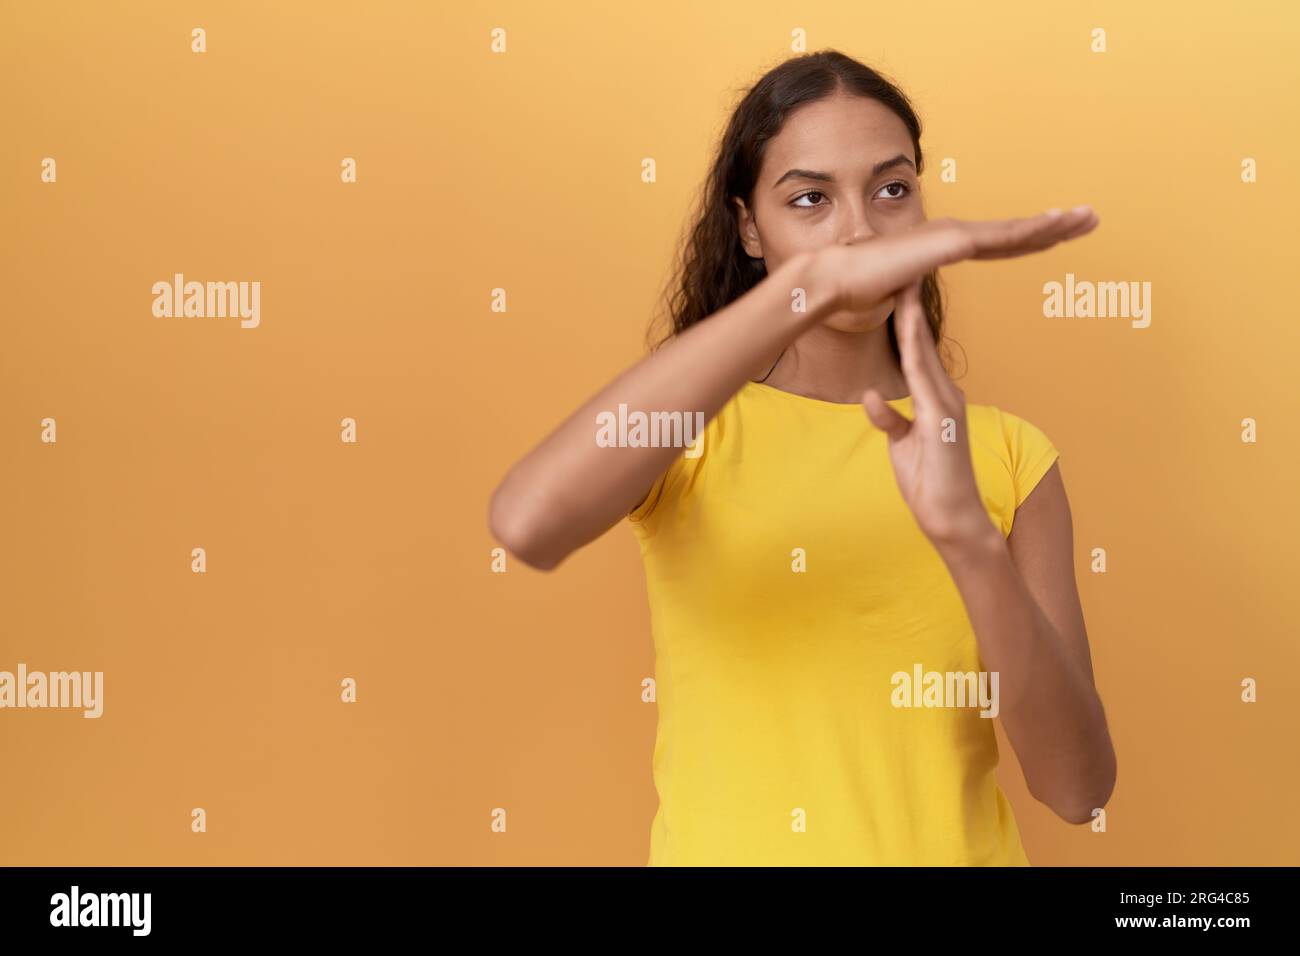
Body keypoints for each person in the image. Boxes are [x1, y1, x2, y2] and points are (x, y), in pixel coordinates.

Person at [489, 49, 1116, 866]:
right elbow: (527, 522)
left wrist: (968, 539)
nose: (859, 229)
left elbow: (1078, 790)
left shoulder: (1005, 452)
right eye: (810, 200)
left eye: (892, 190)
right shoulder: (695, 428)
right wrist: (810, 288)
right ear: (750, 226)